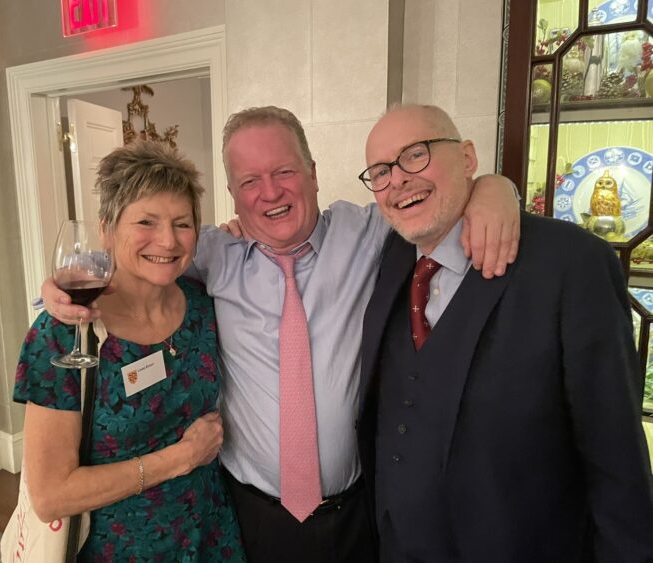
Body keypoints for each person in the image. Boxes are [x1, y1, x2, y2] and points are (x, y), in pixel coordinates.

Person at [42, 106, 521, 563]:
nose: (269, 193)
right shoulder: (209, 253)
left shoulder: (366, 233)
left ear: (312, 171)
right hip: (250, 517)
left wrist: (494, 188)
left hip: (356, 513)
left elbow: (426, 203)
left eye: (284, 172)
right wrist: (56, 292)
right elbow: (135, 263)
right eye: (250, 181)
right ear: (233, 194)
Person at [357, 104, 653, 562]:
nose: (397, 179)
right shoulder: (388, 254)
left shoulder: (571, 264)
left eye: (416, 155)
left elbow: (616, 458)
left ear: (469, 158)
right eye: (380, 170)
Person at [14, 140, 245, 562]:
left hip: (211, 534)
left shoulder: (204, 304)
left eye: (182, 223)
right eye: (146, 221)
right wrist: (180, 459)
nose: (167, 240)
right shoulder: (67, 331)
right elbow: (50, 494)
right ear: (106, 228)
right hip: (119, 548)